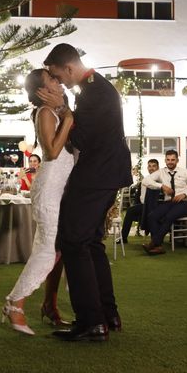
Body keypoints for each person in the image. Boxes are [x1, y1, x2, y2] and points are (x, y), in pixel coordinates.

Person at [39, 43, 132, 342]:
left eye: (57, 75)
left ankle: (91, 322)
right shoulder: (96, 88)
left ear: (68, 68)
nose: (58, 82)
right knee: (90, 242)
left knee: (72, 241)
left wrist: (62, 108)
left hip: (96, 175)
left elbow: (79, 140)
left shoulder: (94, 93)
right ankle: (107, 314)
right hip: (107, 174)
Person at [1, 68, 74, 336]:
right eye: (52, 80)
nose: (58, 81)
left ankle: (46, 306)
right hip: (49, 190)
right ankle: (15, 303)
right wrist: (70, 118)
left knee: (53, 250)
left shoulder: (55, 112)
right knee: (46, 252)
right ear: (42, 91)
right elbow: (52, 152)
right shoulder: (45, 113)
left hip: (58, 191)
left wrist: (65, 113)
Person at [141, 150, 187, 255]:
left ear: (177, 160)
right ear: (165, 160)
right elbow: (145, 181)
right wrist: (162, 186)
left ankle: (154, 243)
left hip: (184, 203)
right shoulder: (161, 172)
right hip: (169, 202)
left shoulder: (186, 173)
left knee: (169, 217)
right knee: (152, 216)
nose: (170, 162)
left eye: (173, 160)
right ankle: (158, 246)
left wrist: (184, 195)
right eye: (168, 160)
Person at [119, 159, 159, 244]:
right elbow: (139, 196)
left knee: (135, 210)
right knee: (130, 210)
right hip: (143, 205)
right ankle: (123, 238)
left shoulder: (159, 180)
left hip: (154, 205)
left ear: (158, 167)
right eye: (149, 166)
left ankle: (154, 239)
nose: (151, 168)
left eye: (154, 166)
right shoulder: (144, 180)